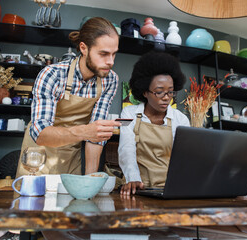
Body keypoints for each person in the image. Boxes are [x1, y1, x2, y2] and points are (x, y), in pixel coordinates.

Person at [16, 17, 121, 177]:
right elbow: (41, 133)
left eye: (114, 54)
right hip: (36, 159)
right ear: (84, 48)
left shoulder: (110, 80)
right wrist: (86, 131)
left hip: (71, 158)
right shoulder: (52, 75)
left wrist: (89, 180)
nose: (110, 62)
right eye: (104, 54)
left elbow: (95, 137)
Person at [118, 51, 190, 195]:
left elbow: (183, 159)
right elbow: (126, 148)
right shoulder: (127, 114)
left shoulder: (181, 119)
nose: (166, 98)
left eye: (170, 92)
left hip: (169, 189)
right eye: (159, 92)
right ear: (145, 92)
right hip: (138, 187)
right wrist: (133, 179)